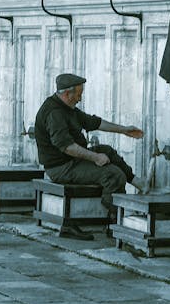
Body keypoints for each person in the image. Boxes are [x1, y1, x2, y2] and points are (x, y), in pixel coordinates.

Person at [35, 73, 145, 240]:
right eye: (78, 94)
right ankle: (111, 221)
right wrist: (95, 157)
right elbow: (66, 147)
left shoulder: (66, 107)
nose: (80, 98)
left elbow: (94, 122)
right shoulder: (54, 112)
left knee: (107, 151)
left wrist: (124, 130)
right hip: (61, 168)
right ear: (67, 94)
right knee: (112, 175)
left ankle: (138, 182)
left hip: (71, 161)